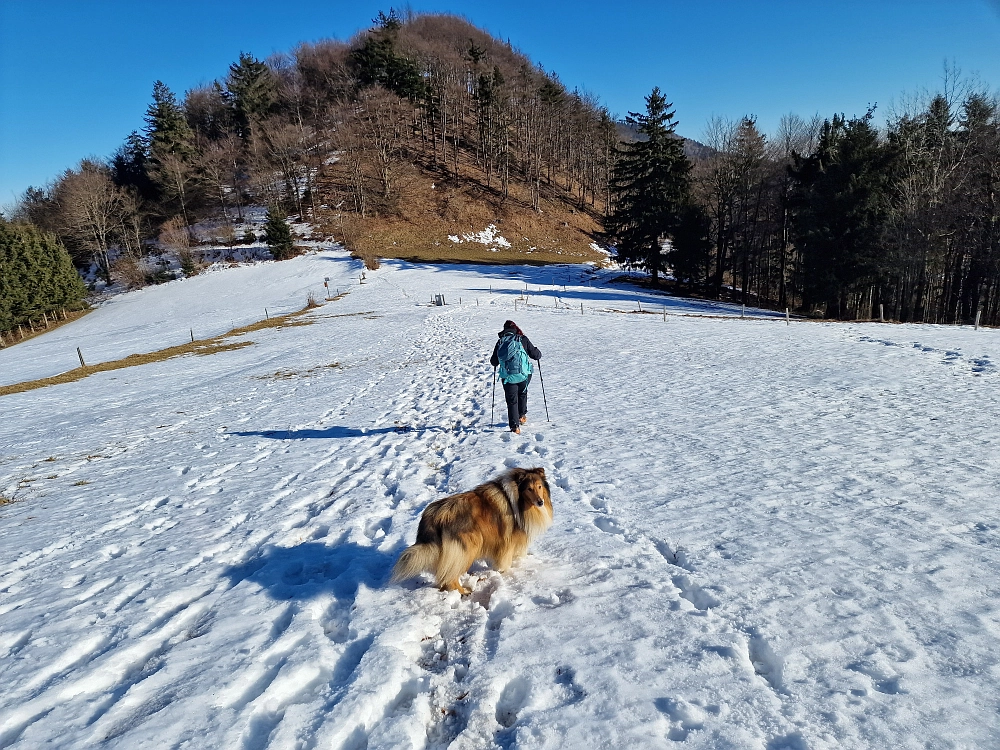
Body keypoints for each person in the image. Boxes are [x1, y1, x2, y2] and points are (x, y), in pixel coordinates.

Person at [490, 320, 541, 434]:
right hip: (524, 374)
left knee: (512, 401)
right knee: (522, 392)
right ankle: (522, 416)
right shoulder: (522, 339)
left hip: (507, 376)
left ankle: (514, 427)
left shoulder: (500, 342)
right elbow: (536, 355)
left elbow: (494, 362)